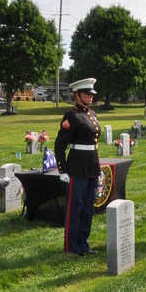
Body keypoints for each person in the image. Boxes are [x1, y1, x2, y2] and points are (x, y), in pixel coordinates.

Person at [54, 78, 101, 256]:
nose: (90, 96)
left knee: (88, 208)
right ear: (77, 95)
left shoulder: (92, 114)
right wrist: (63, 170)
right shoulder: (71, 116)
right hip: (77, 168)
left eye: (91, 94)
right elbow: (60, 145)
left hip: (91, 168)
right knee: (76, 208)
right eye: (87, 94)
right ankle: (72, 246)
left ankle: (83, 244)